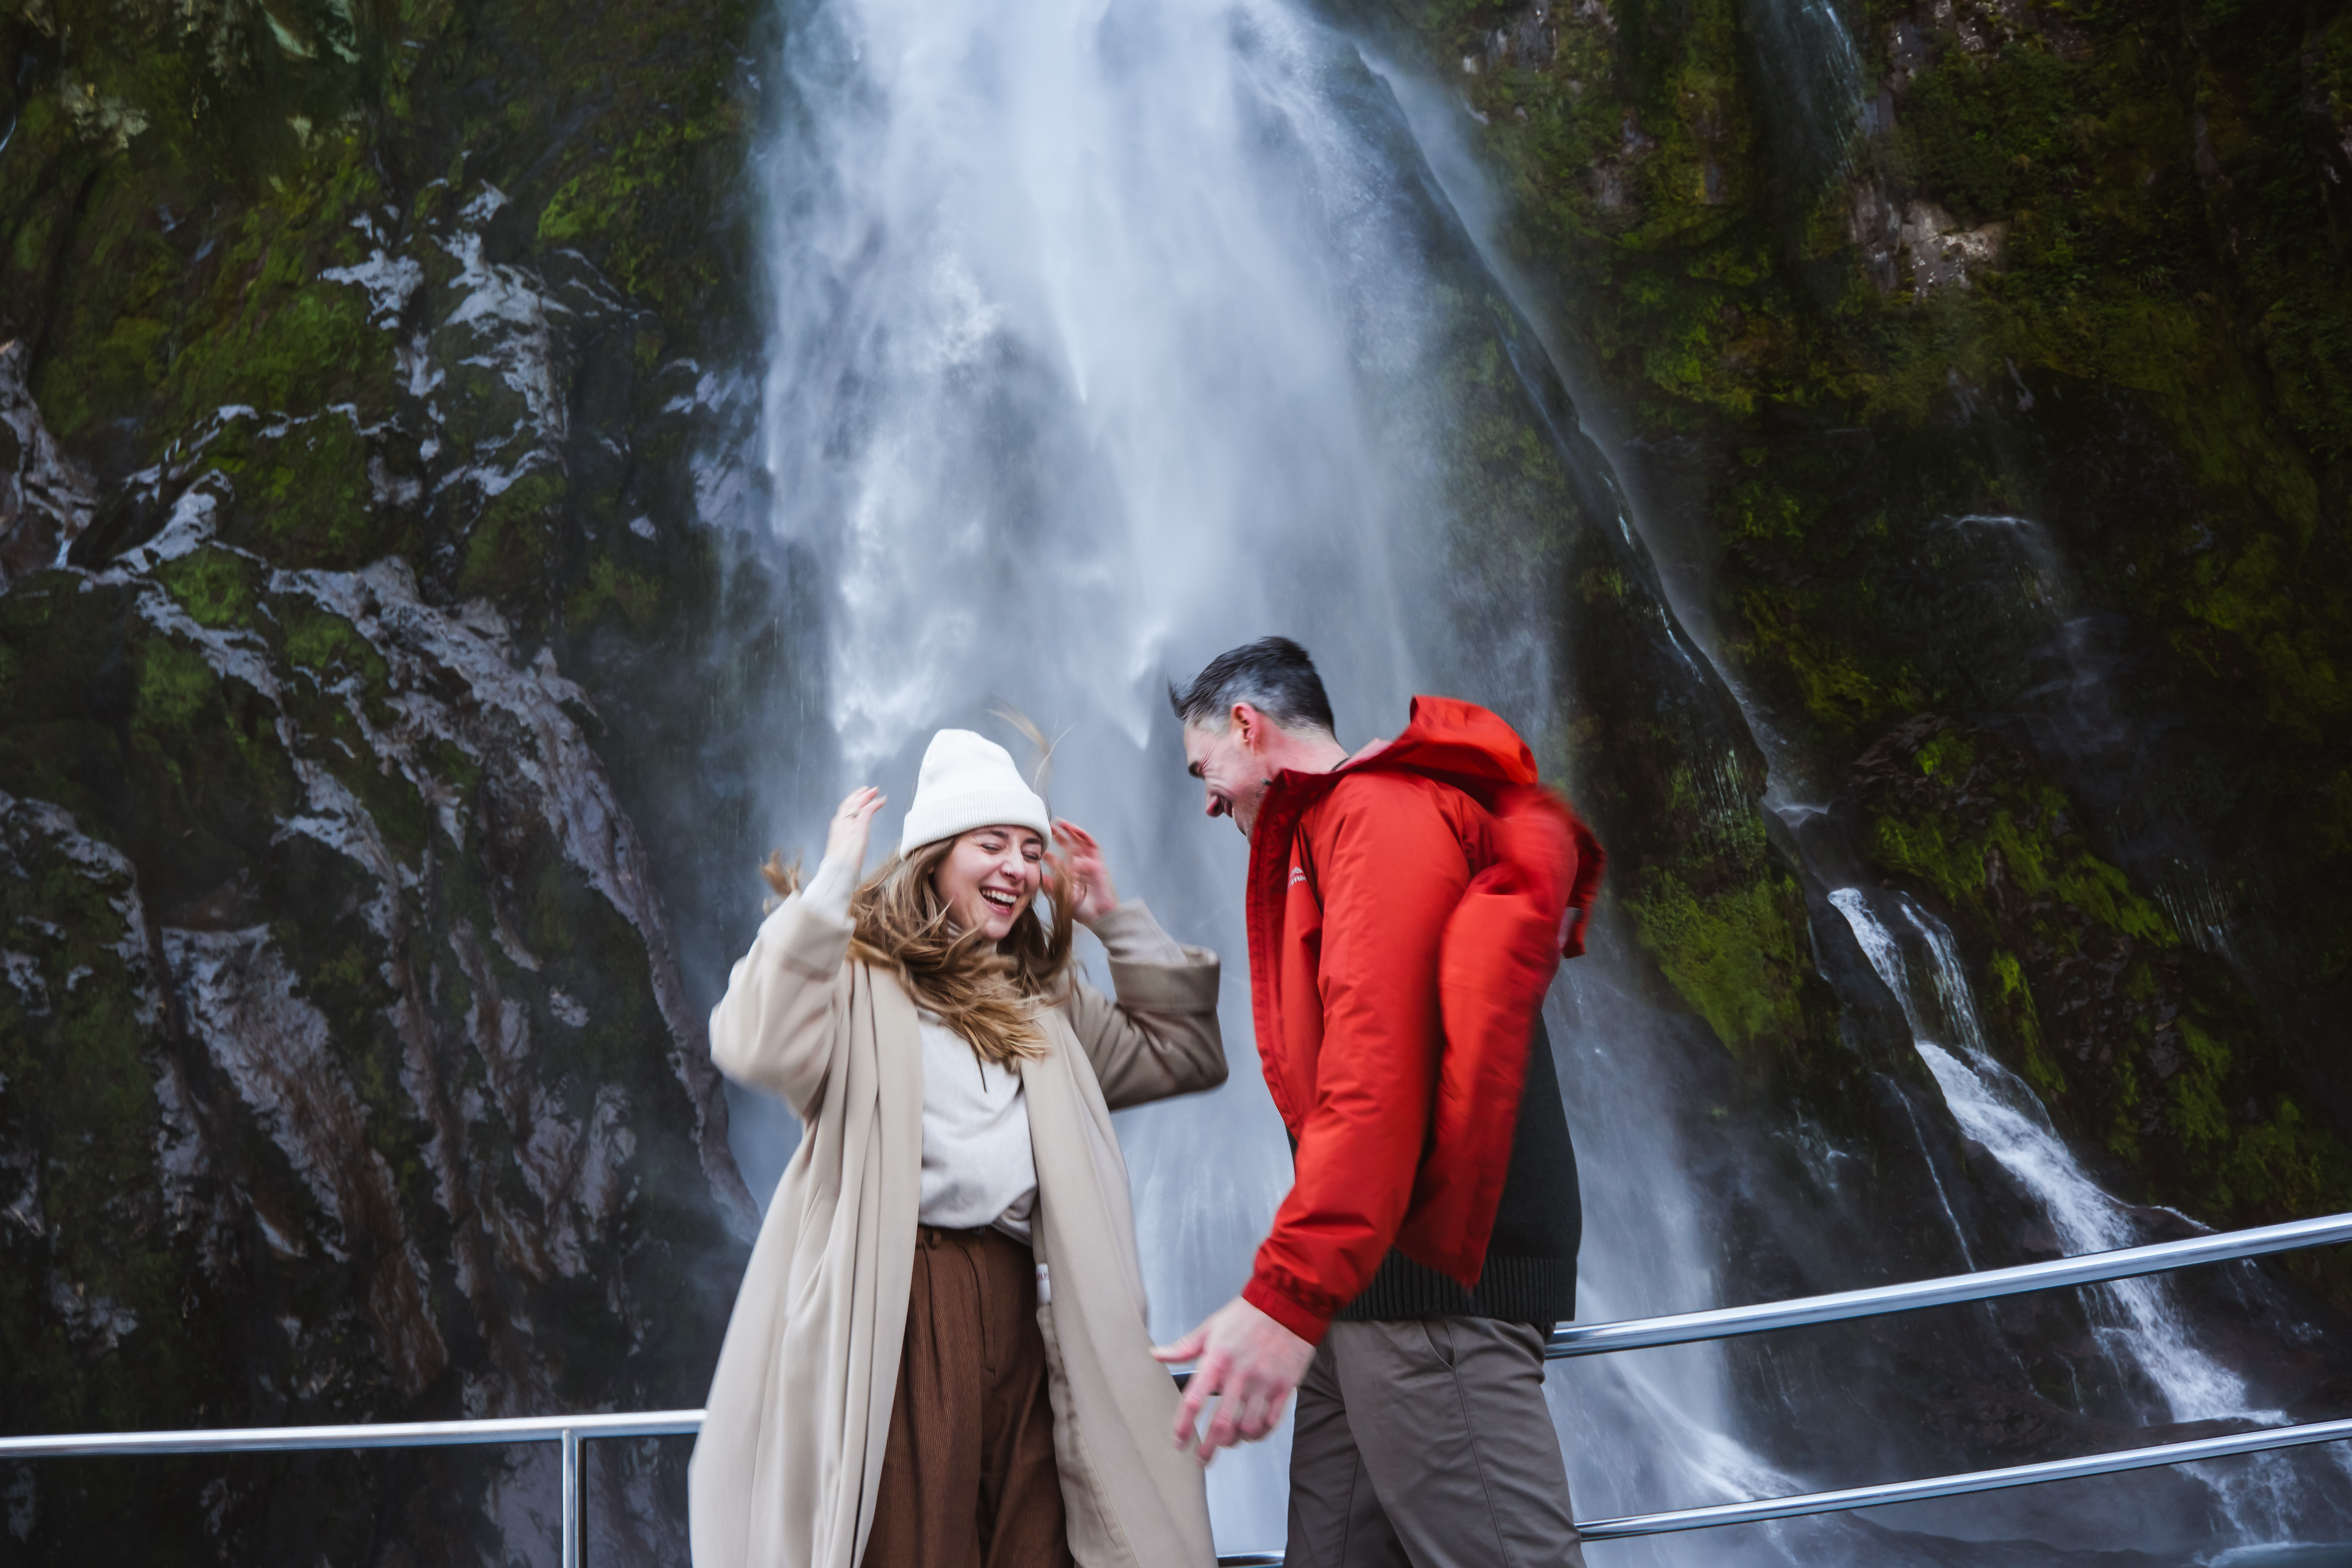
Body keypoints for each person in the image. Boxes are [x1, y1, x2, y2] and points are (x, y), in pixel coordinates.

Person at [691, 728, 1228, 1568]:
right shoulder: (858, 983)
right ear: (935, 855)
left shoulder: (1044, 1000)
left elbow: (1183, 1052)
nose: (1017, 867)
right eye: (992, 844)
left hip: (1032, 1307)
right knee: (913, 1543)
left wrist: (1114, 922)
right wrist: (830, 886)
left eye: (1031, 850)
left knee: (1039, 1543)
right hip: (902, 1304)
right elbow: (752, 1042)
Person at [1152, 638, 1605, 1568]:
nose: (1207, 801)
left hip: (1431, 1293)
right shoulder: (1333, 832)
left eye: (1204, 770)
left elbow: (1380, 1070)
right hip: (1365, 1291)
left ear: (1248, 725)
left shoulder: (1377, 814)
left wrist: (1285, 1293)